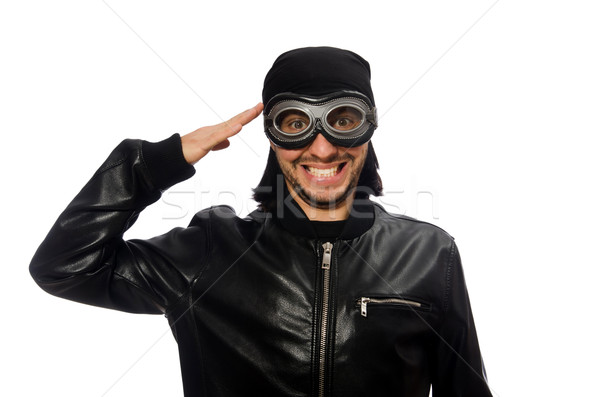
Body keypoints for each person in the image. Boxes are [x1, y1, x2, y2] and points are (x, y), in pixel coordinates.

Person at [30, 47, 492, 396]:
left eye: (343, 119)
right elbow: (65, 266)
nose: (324, 147)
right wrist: (154, 164)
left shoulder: (430, 254)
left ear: (368, 129)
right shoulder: (212, 249)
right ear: (271, 135)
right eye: (295, 123)